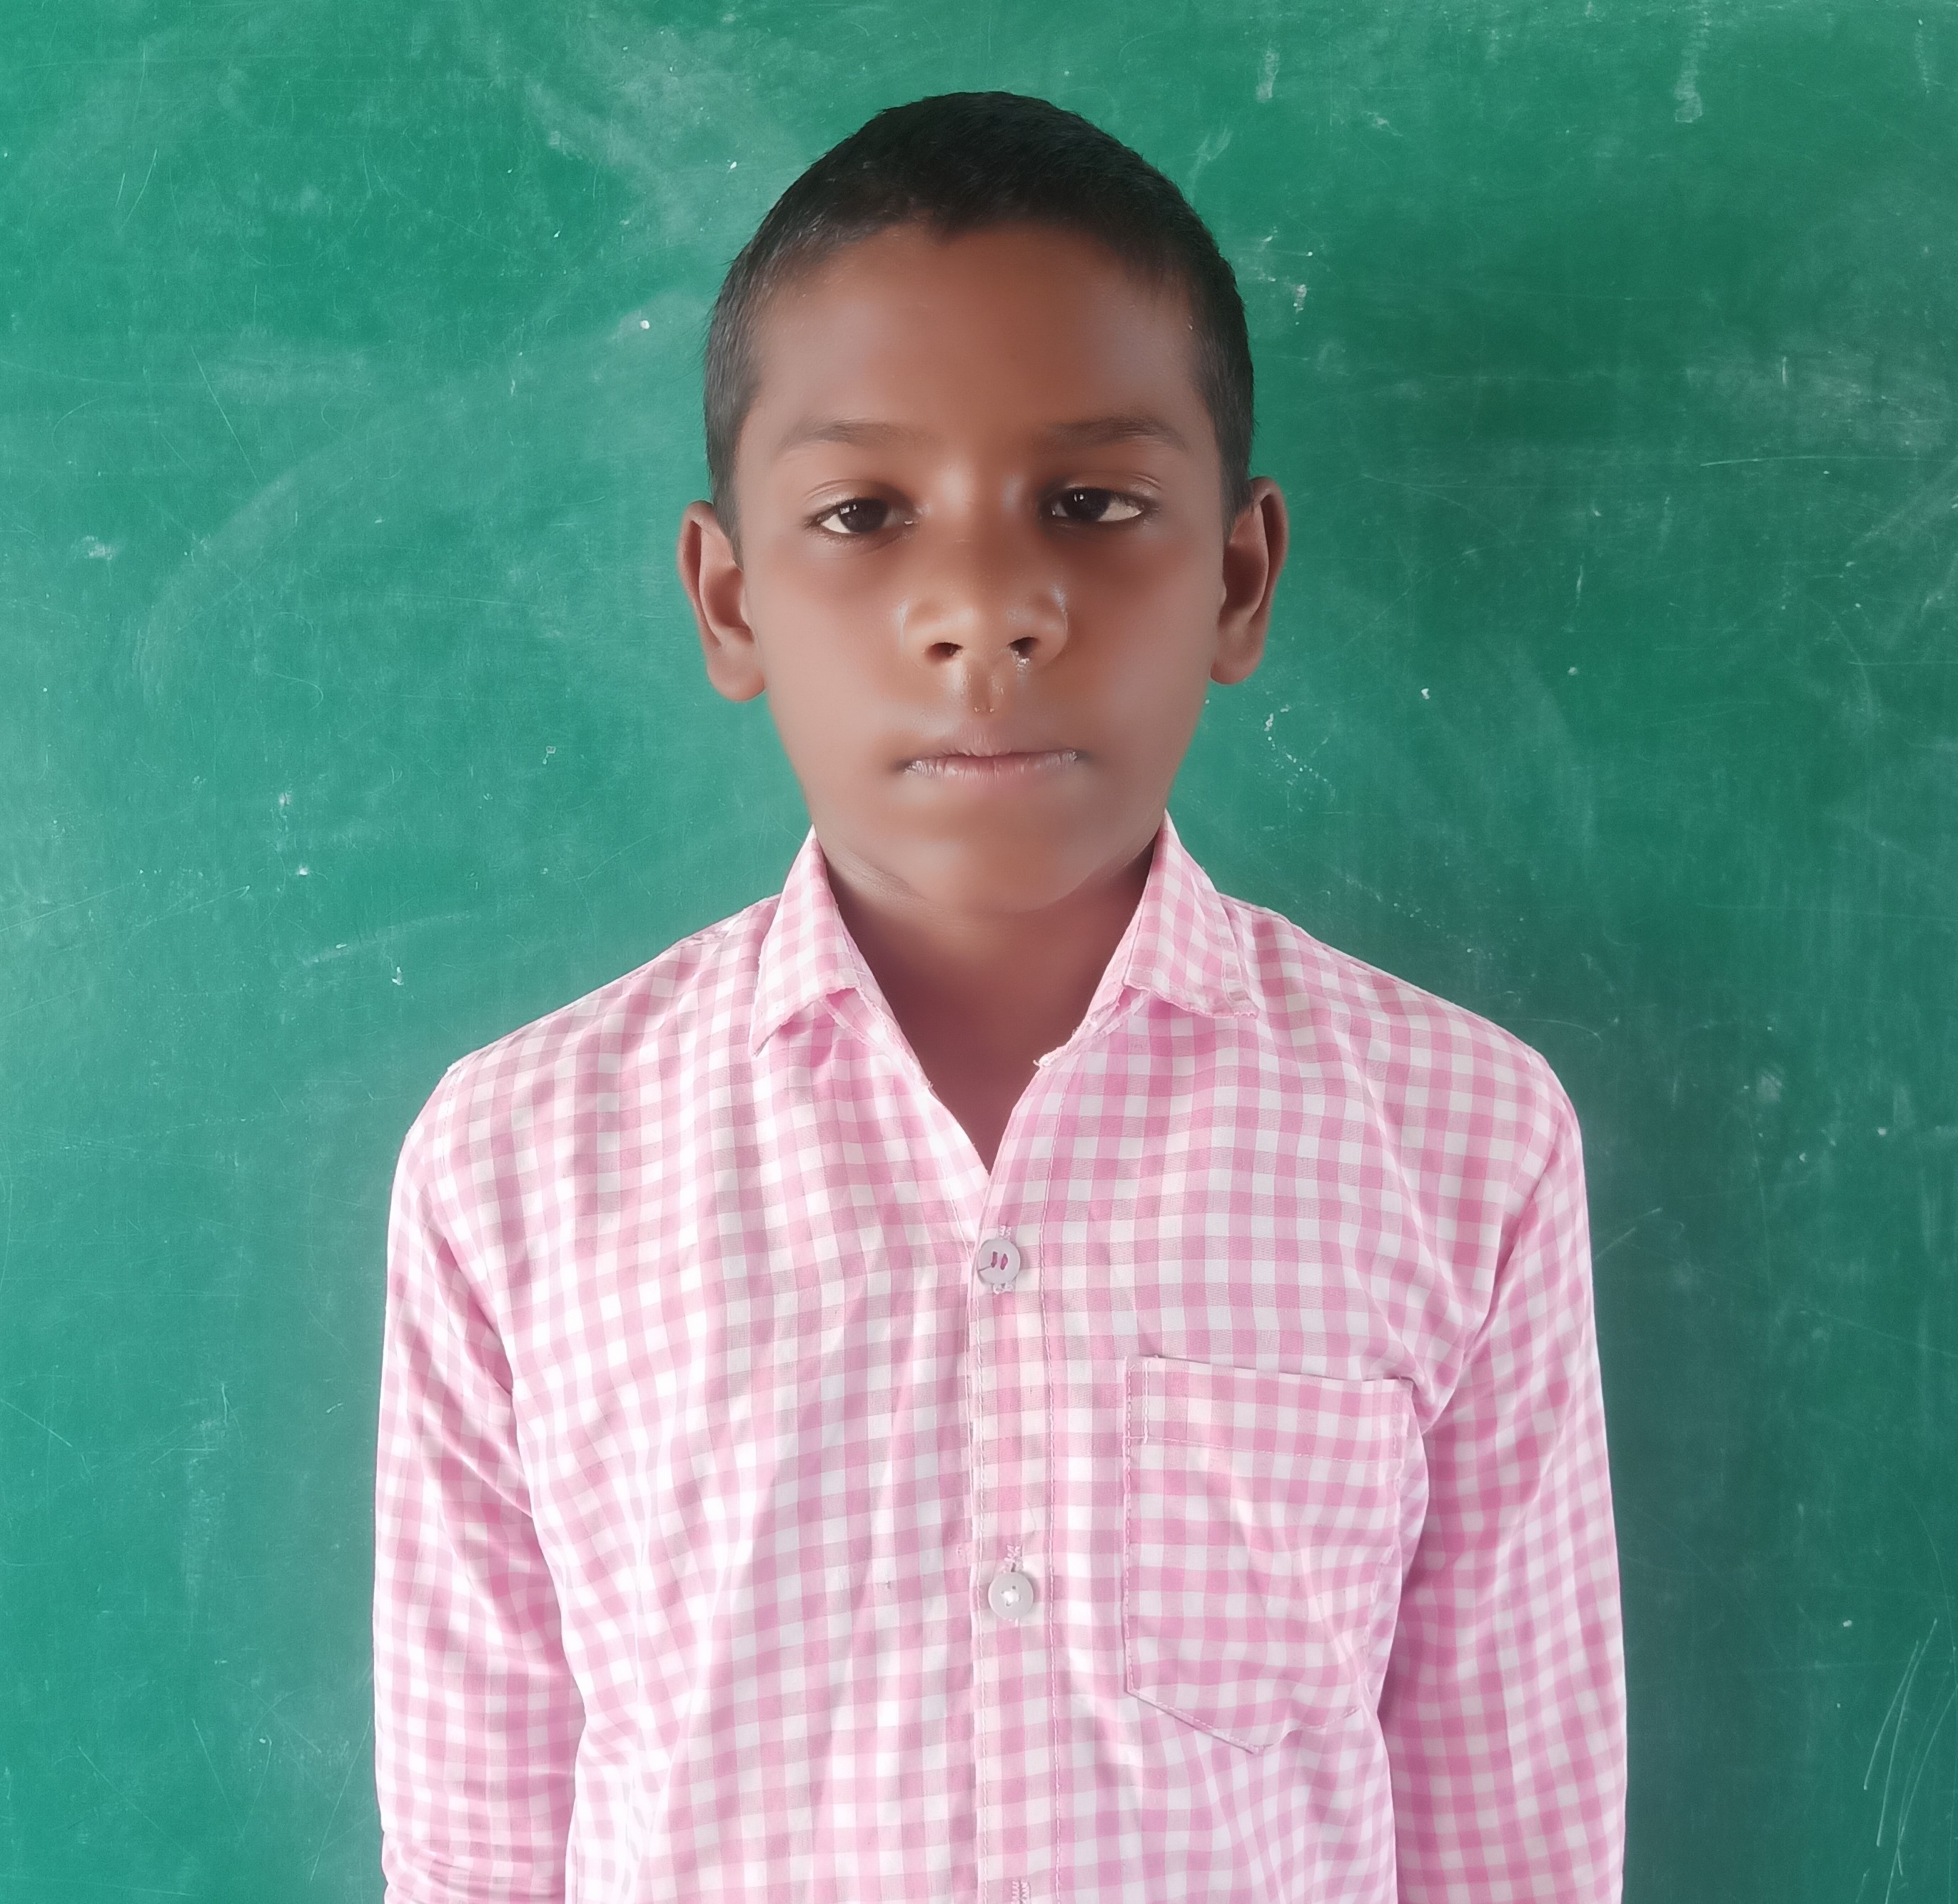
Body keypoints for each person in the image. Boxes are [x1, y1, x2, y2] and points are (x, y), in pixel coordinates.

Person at [373, 91, 1625, 1903]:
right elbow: (475, 1850)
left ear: (1239, 575)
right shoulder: (516, 1166)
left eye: (1091, 503)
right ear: (729, 601)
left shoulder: (1463, 1140)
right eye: (863, 512)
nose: (984, 606)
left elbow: (1514, 1838)